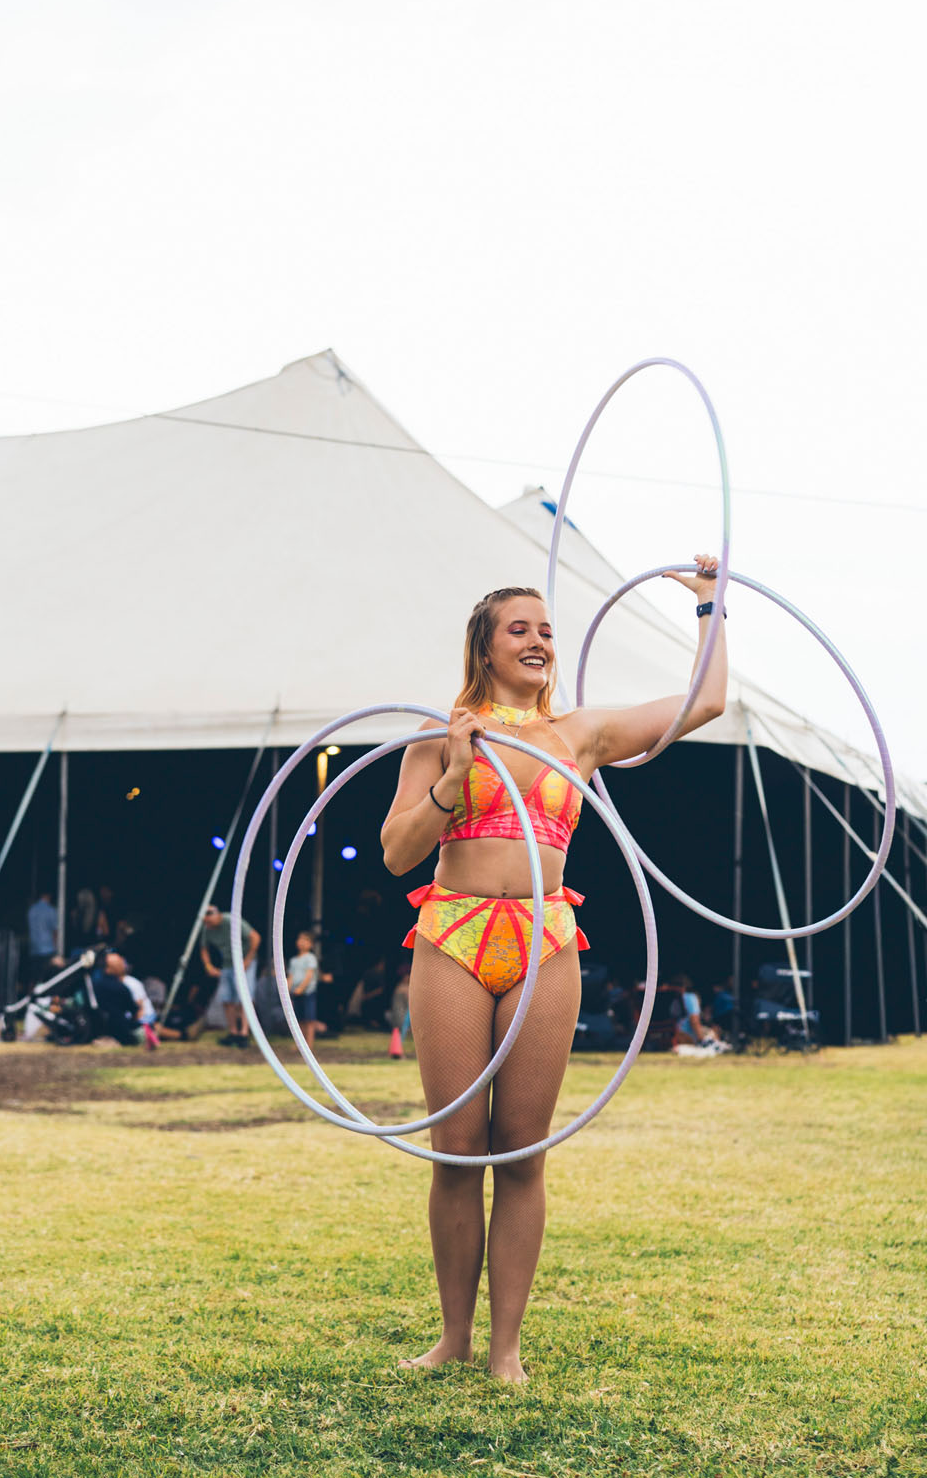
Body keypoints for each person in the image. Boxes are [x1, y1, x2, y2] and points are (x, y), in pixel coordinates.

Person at [381, 560, 727, 1382]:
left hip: (545, 938)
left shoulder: (581, 735)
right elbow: (398, 854)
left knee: (522, 1152)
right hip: (454, 935)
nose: (538, 641)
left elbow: (706, 702)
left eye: (545, 630)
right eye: (520, 629)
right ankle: (454, 1338)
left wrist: (714, 603)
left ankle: (507, 1349)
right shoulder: (440, 734)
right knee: (457, 1148)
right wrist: (456, 778)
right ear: (486, 647)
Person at [200, 905, 261, 1048]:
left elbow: (255, 937)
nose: (207, 923)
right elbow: (204, 948)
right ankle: (233, 1033)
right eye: (205, 920)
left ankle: (244, 1034)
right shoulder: (207, 927)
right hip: (227, 965)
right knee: (227, 999)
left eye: (209, 918)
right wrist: (208, 965)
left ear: (218, 914)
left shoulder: (230, 921)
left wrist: (248, 960)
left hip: (245, 962)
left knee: (244, 998)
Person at [288, 930, 320, 1051]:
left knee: (309, 1019)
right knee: (299, 1019)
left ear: (311, 944)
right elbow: (290, 977)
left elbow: (309, 975)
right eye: (300, 939)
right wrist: (288, 990)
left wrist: (301, 988)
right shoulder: (293, 960)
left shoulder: (310, 958)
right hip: (296, 993)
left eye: (306, 940)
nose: (302, 942)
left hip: (308, 993)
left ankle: (309, 1044)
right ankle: (300, 1044)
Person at [26, 891, 58, 991]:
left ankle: (29, 1001)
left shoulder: (32, 910)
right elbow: (55, 932)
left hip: (34, 949)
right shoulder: (51, 910)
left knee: (33, 978)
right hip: (47, 950)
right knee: (48, 980)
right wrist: (55, 948)